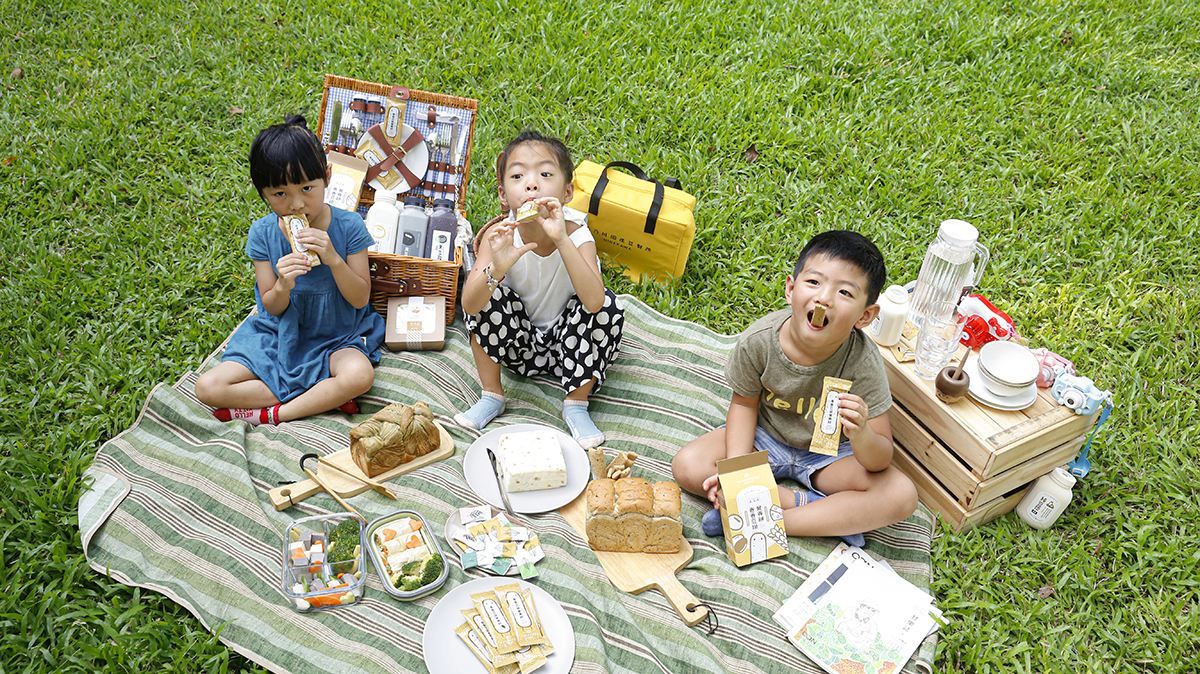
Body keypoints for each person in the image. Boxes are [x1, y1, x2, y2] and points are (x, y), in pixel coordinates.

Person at [672, 230, 917, 547]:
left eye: (844, 292)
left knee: (901, 495)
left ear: (865, 316)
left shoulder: (863, 361)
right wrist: (737, 475)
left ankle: (771, 517)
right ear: (791, 289)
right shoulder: (760, 341)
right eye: (814, 282)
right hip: (766, 437)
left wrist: (861, 435)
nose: (823, 298)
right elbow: (744, 406)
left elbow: (880, 459)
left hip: (829, 457)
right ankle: (823, 514)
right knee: (688, 465)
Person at [195, 115, 385, 426]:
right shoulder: (262, 234)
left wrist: (333, 259)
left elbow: (360, 299)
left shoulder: (349, 226)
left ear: (328, 176)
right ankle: (323, 394)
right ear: (262, 192)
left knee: (360, 375)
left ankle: (273, 414)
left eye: (307, 188)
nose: (297, 204)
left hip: (337, 335)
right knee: (207, 387)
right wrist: (283, 284)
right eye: (280, 194)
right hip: (281, 332)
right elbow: (270, 305)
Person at [453, 130, 624, 448]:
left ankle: (576, 403)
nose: (532, 184)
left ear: (567, 191)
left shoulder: (578, 233)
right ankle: (492, 394)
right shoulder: (498, 234)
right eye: (518, 175)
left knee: (609, 307)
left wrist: (561, 239)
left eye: (545, 174)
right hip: (517, 347)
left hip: (570, 351)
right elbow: (471, 305)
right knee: (489, 293)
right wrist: (498, 267)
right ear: (504, 195)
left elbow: (595, 301)